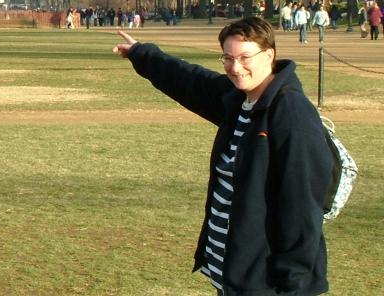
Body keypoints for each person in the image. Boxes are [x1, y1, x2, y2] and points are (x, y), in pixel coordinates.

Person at [113, 17, 332, 295]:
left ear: (269, 56)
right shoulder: (240, 99)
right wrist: (141, 54)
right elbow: (190, 81)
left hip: (269, 283)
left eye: (244, 57)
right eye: (227, 57)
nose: (235, 67)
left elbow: (302, 202)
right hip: (233, 275)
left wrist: (292, 279)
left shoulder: (290, 112)